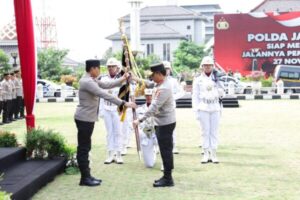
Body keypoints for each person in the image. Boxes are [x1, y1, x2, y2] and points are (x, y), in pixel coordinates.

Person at [74, 59, 136, 187]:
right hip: (84, 118)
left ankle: (87, 175)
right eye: (99, 68)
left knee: (86, 147)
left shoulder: (91, 79)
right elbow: (103, 94)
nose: (100, 71)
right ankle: (85, 178)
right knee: (84, 148)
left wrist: (123, 79)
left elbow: (107, 85)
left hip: (87, 118)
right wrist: (124, 103)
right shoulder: (87, 81)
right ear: (92, 69)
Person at [133, 63, 176, 187]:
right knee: (164, 150)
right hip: (162, 122)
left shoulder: (165, 88)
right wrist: (137, 79)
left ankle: (168, 178)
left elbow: (154, 107)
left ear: (158, 74)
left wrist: (139, 120)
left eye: (153, 75)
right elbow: (150, 83)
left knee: (166, 150)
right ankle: (167, 176)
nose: (152, 78)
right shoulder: (161, 82)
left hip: (165, 123)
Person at [192, 56, 224, 164]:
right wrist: (195, 111)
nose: (207, 67)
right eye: (205, 65)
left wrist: (221, 92)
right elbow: (195, 96)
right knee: (205, 132)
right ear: (202, 67)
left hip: (214, 106)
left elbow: (223, 94)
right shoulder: (198, 80)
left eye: (209, 65)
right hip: (203, 107)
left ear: (212, 66)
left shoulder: (217, 78)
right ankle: (206, 154)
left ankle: (214, 153)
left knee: (214, 132)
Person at [99, 57, 124, 164]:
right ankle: (110, 154)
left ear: (117, 67)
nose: (110, 68)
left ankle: (118, 154)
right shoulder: (103, 79)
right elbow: (100, 95)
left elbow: (124, 95)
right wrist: (101, 111)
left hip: (117, 108)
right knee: (109, 132)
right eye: (109, 66)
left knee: (118, 132)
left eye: (112, 66)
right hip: (106, 107)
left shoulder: (122, 79)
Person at [163, 61, 185, 154]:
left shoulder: (173, 81)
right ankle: (158, 146)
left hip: (170, 107)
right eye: (164, 68)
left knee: (171, 127)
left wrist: (172, 98)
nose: (166, 70)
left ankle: (173, 146)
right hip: (159, 107)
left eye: (167, 68)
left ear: (170, 69)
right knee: (158, 127)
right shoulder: (157, 80)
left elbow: (181, 92)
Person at [136, 88, 158, 168]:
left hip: (157, 132)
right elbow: (140, 125)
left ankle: (156, 148)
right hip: (147, 134)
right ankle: (152, 151)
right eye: (147, 96)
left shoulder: (158, 107)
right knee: (149, 165)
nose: (149, 97)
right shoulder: (139, 109)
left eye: (150, 95)